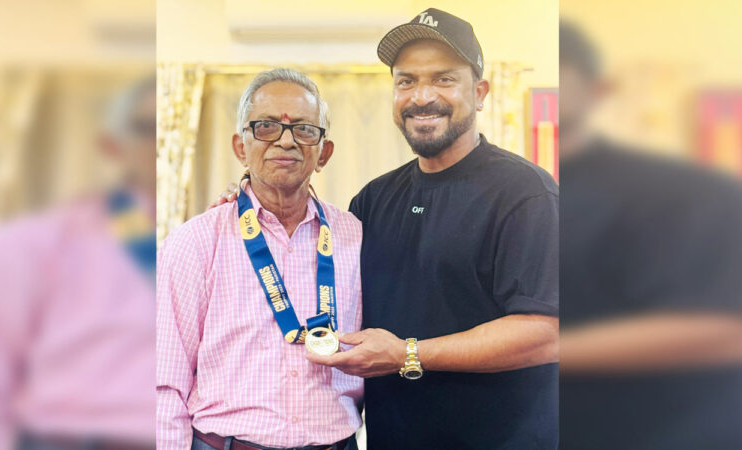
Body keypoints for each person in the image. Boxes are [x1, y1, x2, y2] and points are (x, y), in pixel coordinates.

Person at [212, 9, 559, 449]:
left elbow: (547, 332)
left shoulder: (525, 193)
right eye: (406, 81)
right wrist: (249, 198)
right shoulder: (373, 201)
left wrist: (407, 354)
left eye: (443, 79)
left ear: (480, 92)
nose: (422, 96)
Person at [156, 68, 363, 450]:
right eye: (266, 126)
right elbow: (164, 384)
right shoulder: (194, 241)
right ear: (240, 147)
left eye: (304, 129)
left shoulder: (356, 236)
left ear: (324, 152)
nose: (286, 141)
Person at [559, 21, 742, 449]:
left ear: (599, 90)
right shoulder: (539, 192)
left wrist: (539, 352)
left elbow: (723, 330)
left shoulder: (687, 192)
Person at [0, 76, 157, 450]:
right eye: (150, 128)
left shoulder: (227, 240)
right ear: (111, 146)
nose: (166, 140)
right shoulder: (34, 246)